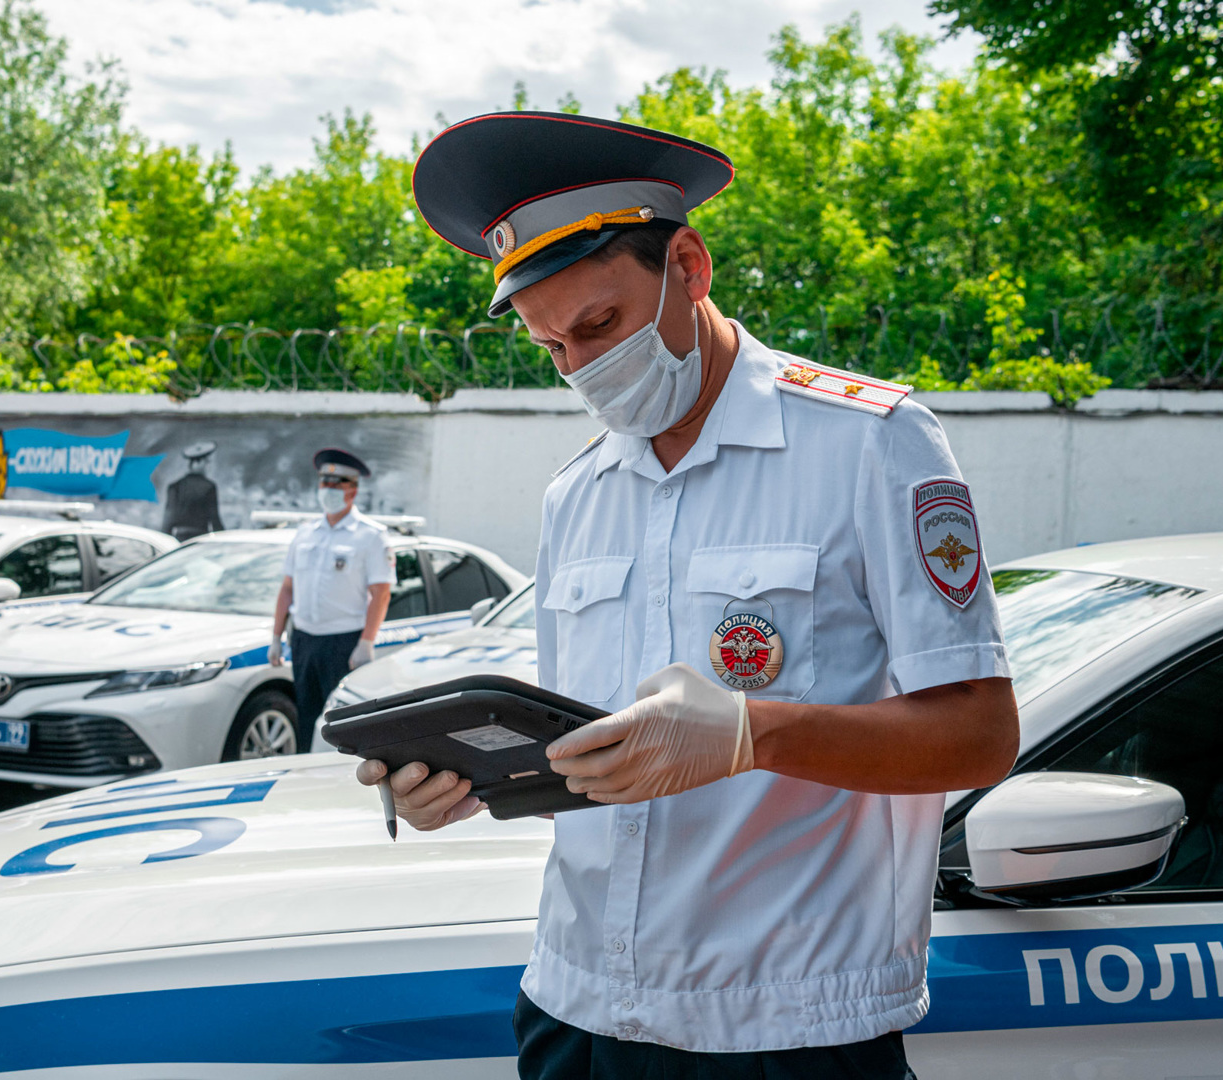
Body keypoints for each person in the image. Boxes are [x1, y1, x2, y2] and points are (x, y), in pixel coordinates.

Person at [368, 112, 1021, 1078]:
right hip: (575, 1008)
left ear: (688, 264)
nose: (585, 369)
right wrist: (468, 785)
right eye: (553, 348)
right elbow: (594, 763)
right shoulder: (575, 495)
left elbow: (979, 736)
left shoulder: (871, 444)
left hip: (786, 1032)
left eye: (600, 324)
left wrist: (757, 733)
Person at [269, 448, 395, 753]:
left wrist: (366, 642)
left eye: (336, 484)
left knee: (342, 723)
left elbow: (381, 592)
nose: (328, 490)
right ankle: (304, 777)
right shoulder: (305, 533)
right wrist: (276, 636)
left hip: (343, 643)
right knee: (307, 716)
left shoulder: (370, 536)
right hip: (305, 641)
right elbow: (287, 588)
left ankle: (340, 781)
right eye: (324, 483)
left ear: (352, 489)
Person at [161, 440, 225, 541]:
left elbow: (169, 518)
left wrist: (164, 540)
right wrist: (223, 539)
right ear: (199, 462)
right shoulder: (209, 487)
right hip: (200, 539)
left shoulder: (175, 487)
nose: (207, 467)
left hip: (179, 539)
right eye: (206, 463)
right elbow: (214, 519)